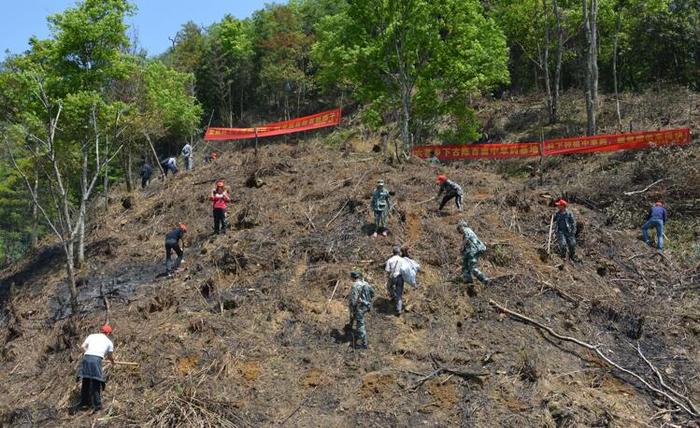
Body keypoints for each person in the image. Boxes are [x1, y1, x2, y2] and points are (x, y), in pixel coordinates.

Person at [77, 324, 115, 411]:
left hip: (86, 358)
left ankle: (84, 403)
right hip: (96, 360)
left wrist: (90, 353)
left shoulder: (92, 336)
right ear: (108, 333)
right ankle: (97, 406)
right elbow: (109, 356)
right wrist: (112, 361)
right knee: (96, 382)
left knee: (85, 381)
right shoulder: (109, 342)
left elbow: (82, 347)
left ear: (101, 331)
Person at [347, 271, 375, 350]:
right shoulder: (365, 283)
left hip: (360, 307)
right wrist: (366, 300)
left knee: (360, 324)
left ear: (352, 277)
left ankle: (364, 343)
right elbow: (373, 293)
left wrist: (352, 309)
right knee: (359, 320)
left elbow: (353, 300)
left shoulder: (355, 286)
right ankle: (355, 332)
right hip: (366, 305)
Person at [458, 220, 490, 285]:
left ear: (461, 226)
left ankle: (485, 280)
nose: (460, 231)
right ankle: (468, 281)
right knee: (465, 266)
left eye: (459, 229)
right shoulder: (467, 232)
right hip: (470, 251)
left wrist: (462, 246)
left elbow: (467, 237)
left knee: (472, 267)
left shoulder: (466, 229)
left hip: (473, 250)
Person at [385, 245, 407, 315]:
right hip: (400, 277)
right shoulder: (403, 260)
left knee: (389, 286)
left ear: (393, 252)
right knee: (399, 293)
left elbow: (387, 270)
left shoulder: (390, 260)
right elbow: (406, 269)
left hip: (393, 277)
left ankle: (393, 295)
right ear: (399, 252)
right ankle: (399, 309)